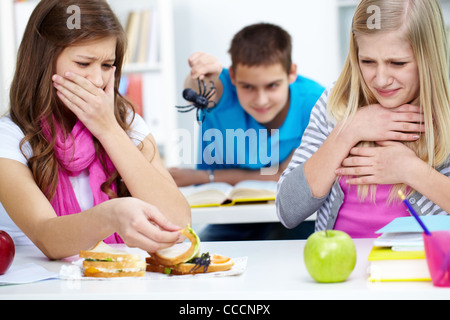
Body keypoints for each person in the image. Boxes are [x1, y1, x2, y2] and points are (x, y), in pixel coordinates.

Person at [0, 0, 190, 260]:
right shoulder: (10, 136)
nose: (98, 81)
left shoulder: (126, 123)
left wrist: (109, 129)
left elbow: (178, 221)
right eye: (83, 63)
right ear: (44, 62)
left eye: (106, 65)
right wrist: (111, 216)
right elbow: (47, 237)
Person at [277, 0, 450, 239]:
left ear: (429, 57)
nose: (380, 80)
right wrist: (349, 130)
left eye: (397, 63)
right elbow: (288, 210)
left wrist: (410, 170)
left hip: (421, 269)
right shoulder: (336, 102)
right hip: (338, 270)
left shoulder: (445, 114)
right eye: (367, 61)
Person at [171, 23, 324, 240]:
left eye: (272, 86)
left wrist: (202, 176)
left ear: (291, 73)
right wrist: (200, 75)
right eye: (248, 87)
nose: (261, 100)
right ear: (232, 76)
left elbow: (283, 176)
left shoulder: (314, 102)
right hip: (232, 217)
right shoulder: (222, 87)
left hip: (296, 218)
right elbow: (197, 90)